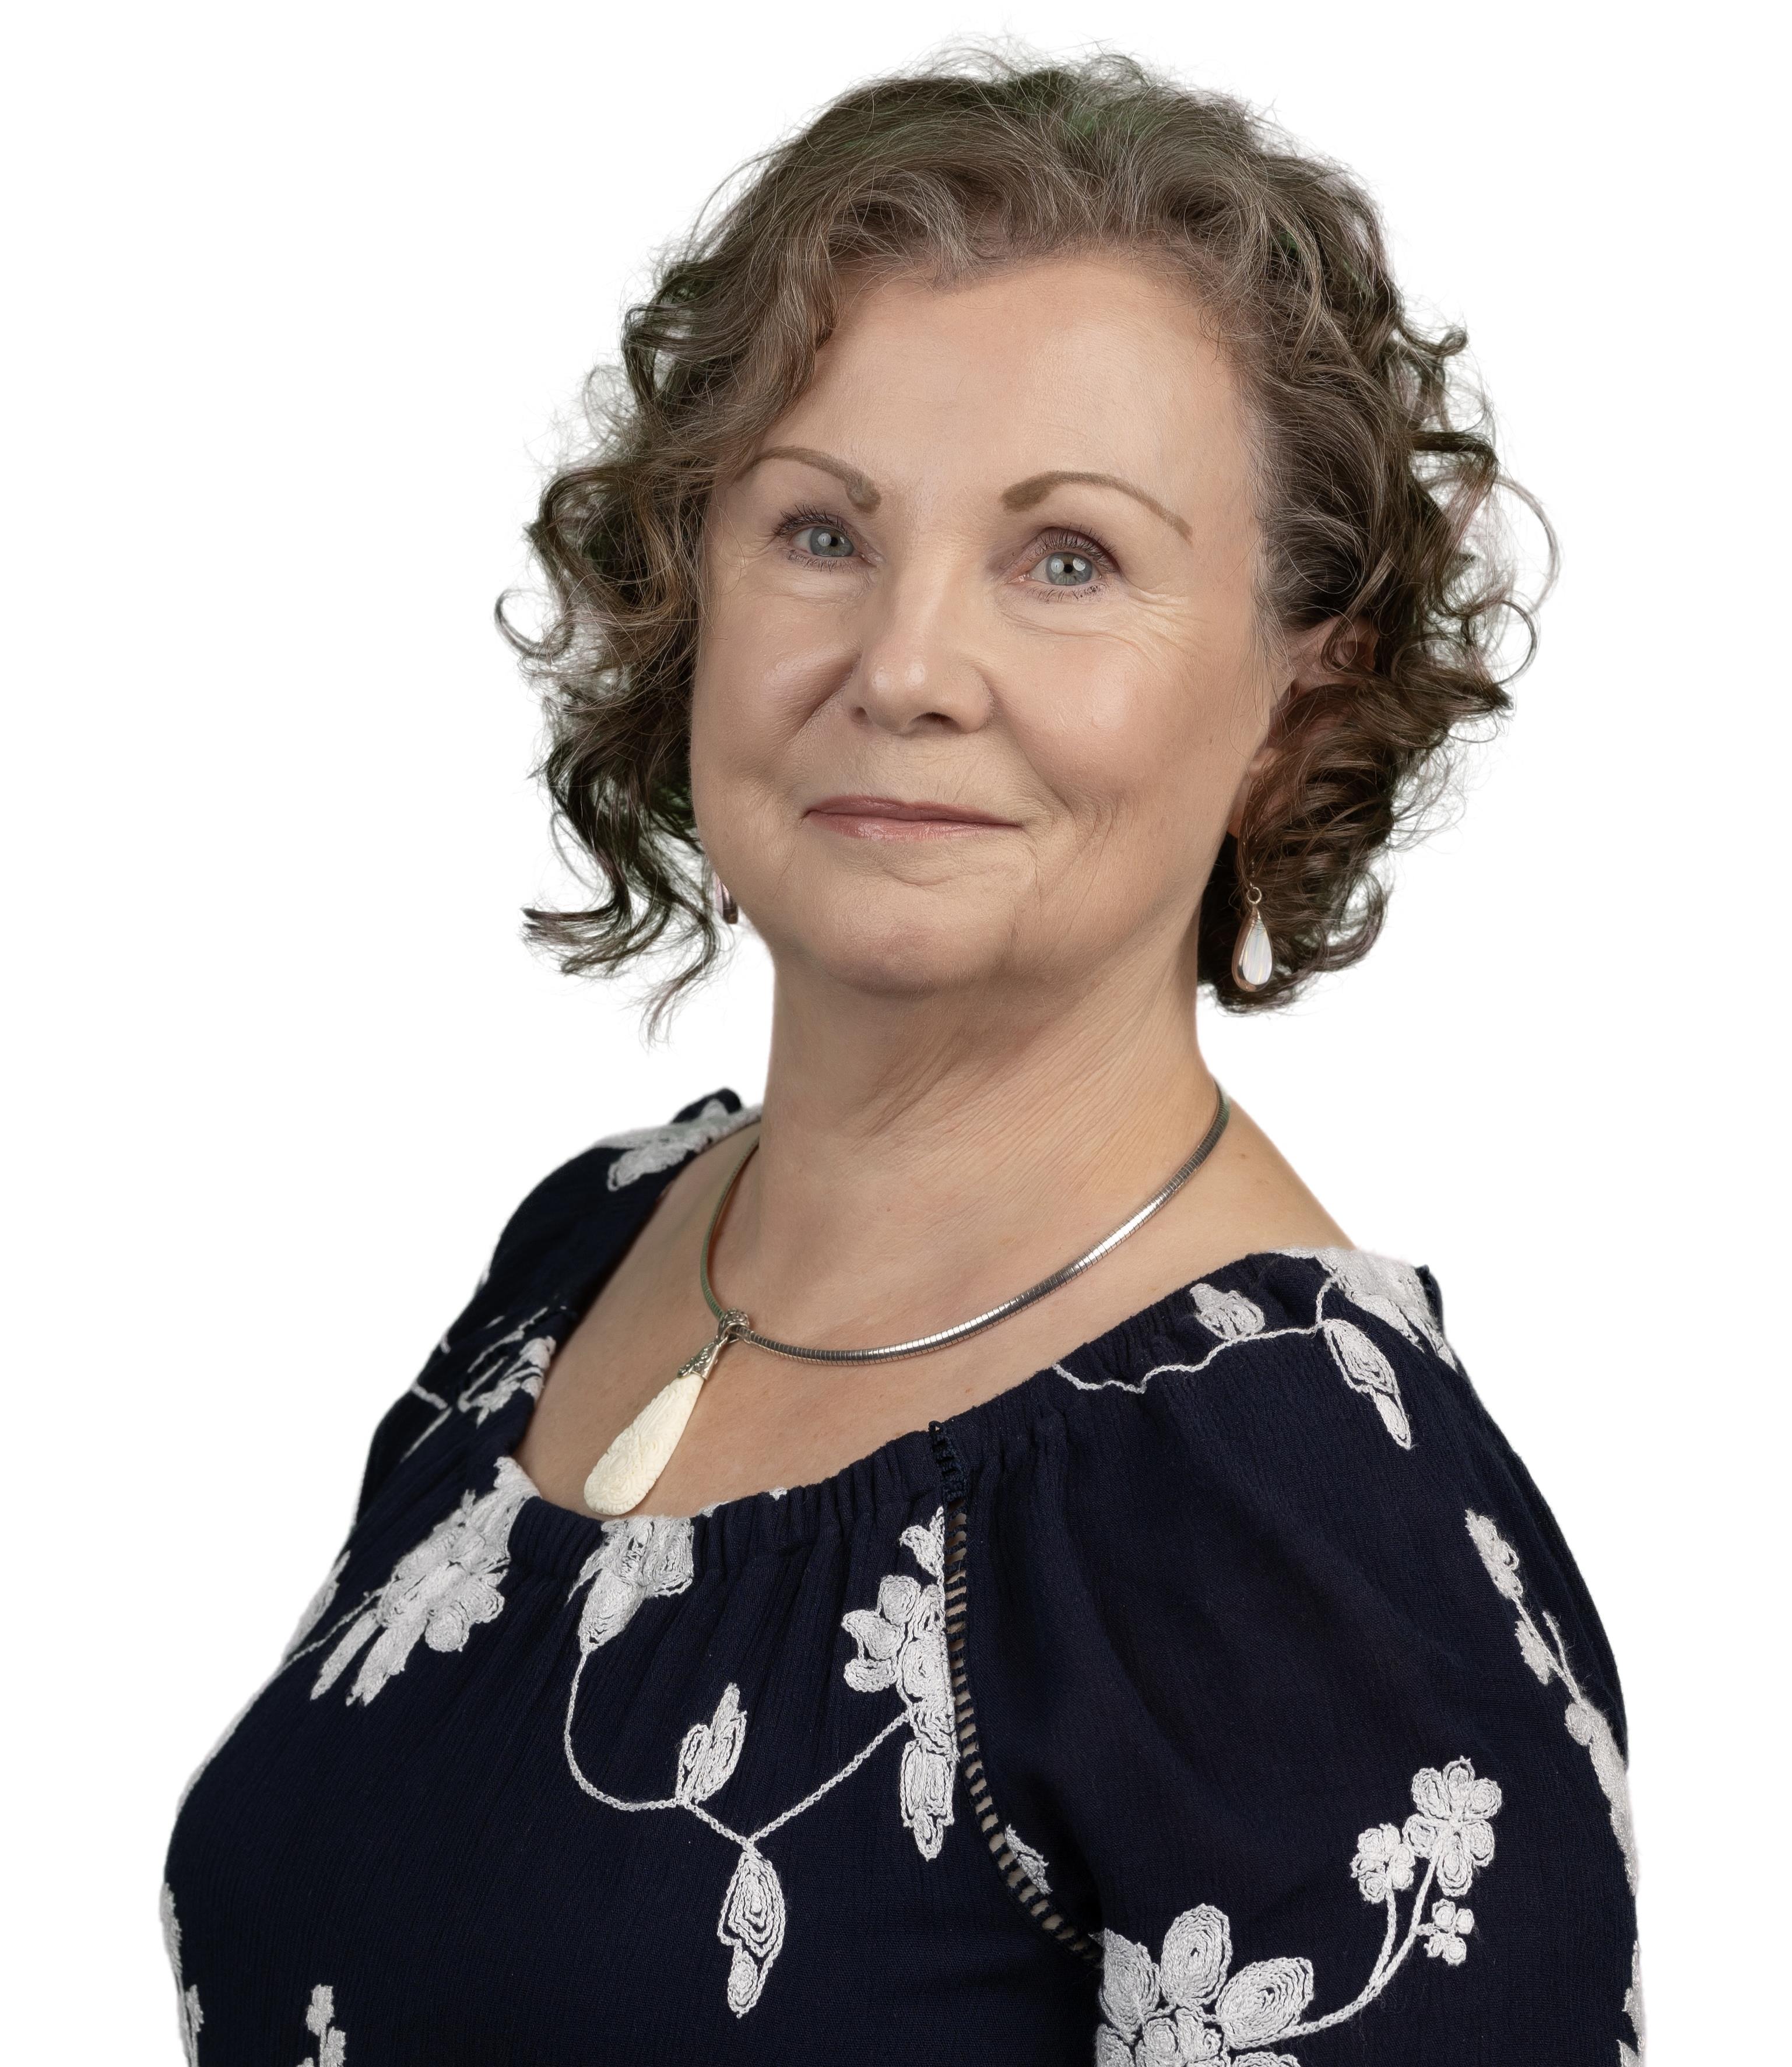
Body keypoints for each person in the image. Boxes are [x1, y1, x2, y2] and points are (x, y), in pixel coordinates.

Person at [160, 52, 1640, 2065]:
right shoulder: (589, 1243)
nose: (906, 666)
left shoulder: (1293, 1526)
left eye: (1068, 559)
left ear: (1303, 695)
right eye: (820, 531)